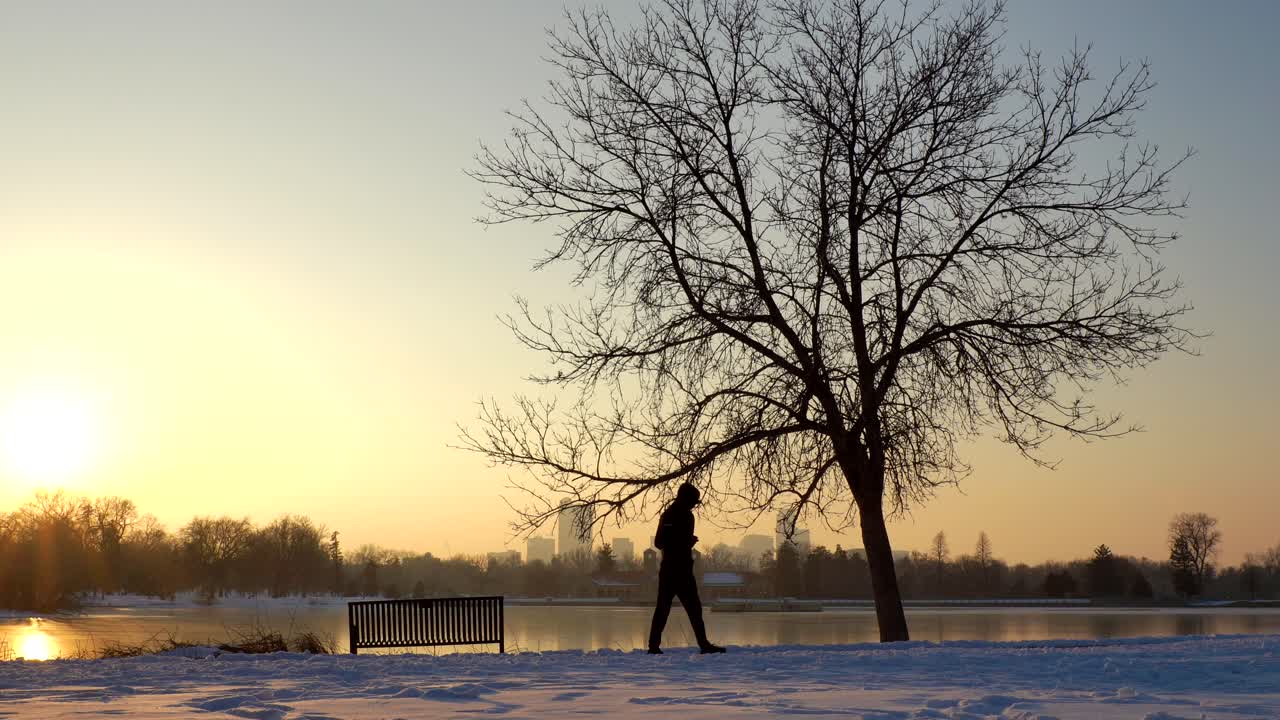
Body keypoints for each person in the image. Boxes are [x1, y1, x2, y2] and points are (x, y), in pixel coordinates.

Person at [647, 482, 725, 654]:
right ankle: (653, 646)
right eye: (692, 502)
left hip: (684, 570)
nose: (693, 505)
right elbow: (659, 542)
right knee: (663, 608)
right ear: (684, 499)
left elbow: (676, 542)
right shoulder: (668, 515)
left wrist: (687, 542)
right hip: (670, 571)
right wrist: (685, 542)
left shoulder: (689, 516)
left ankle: (703, 644)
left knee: (694, 609)